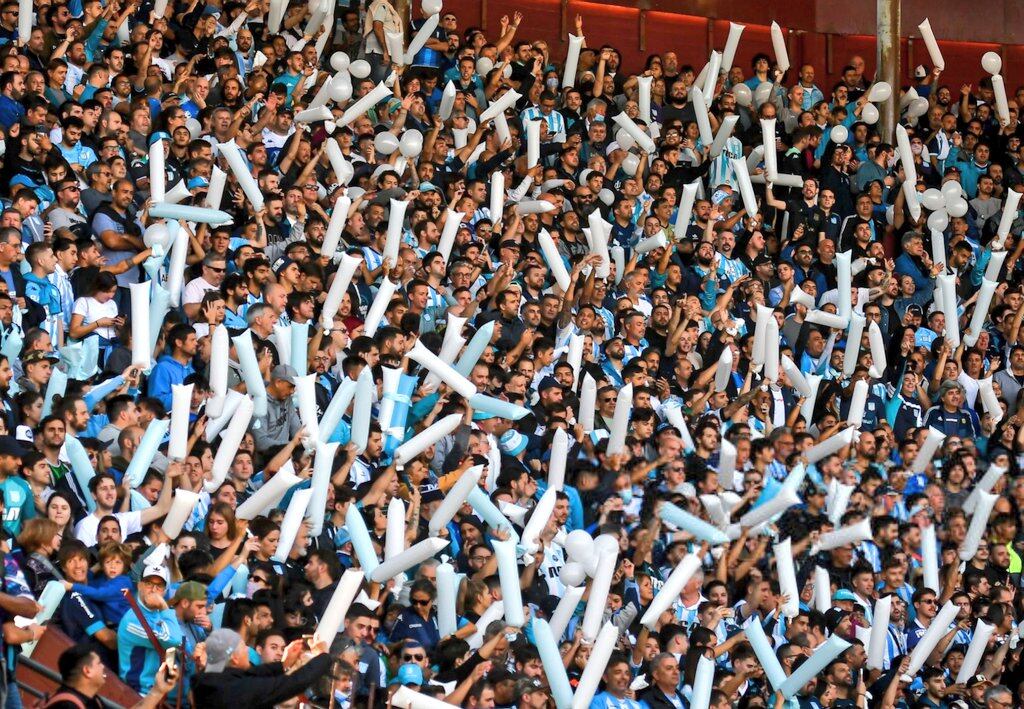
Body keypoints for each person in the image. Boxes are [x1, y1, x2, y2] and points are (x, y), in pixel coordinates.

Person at [191, 628, 332, 709]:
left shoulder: (211, 678)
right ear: (234, 658)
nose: (248, 652)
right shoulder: (236, 689)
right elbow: (293, 683)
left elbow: (252, 672)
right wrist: (323, 656)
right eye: (244, 650)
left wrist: (283, 664)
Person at [44, 642, 176, 709]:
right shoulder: (67, 706)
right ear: (87, 671)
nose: (103, 667)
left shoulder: (90, 699)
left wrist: (158, 691)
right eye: (99, 663)